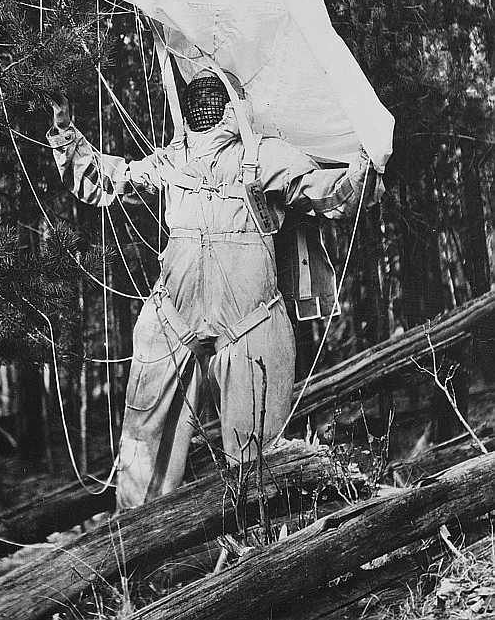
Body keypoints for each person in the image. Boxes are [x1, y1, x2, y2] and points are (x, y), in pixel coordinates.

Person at [48, 69, 378, 509]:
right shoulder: (171, 159)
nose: (202, 103)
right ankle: (138, 567)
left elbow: (330, 192)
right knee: (142, 465)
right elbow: (110, 180)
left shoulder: (263, 157)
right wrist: (67, 134)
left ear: (230, 102)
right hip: (173, 323)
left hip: (250, 328)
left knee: (258, 471)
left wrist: (366, 165)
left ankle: (266, 568)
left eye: (212, 95)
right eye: (196, 95)